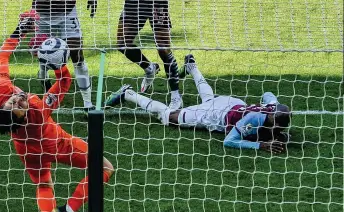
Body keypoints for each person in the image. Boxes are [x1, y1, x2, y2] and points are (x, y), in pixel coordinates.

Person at [0, 17, 115, 212]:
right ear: (22, 115)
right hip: (57, 144)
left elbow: (0, 59)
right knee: (105, 167)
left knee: (43, 185)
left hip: (26, 150)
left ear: (2, 104)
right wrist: (59, 65)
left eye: (13, 101)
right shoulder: (37, 108)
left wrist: (19, 30)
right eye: (18, 105)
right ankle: (67, 211)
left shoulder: (1, 93)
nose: (17, 100)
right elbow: (64, 82)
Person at [105, 54, 291, 153]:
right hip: (216, 115)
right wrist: (261, 146)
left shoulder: (273, 107)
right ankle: (128, 94)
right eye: (276, 128)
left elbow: (268, 94)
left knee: (209, 99)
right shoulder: (251, 120)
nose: (278, 132)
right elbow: (229, 141)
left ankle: (191, 66)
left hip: (232, 102)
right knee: (170, 116)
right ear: (271, 119)